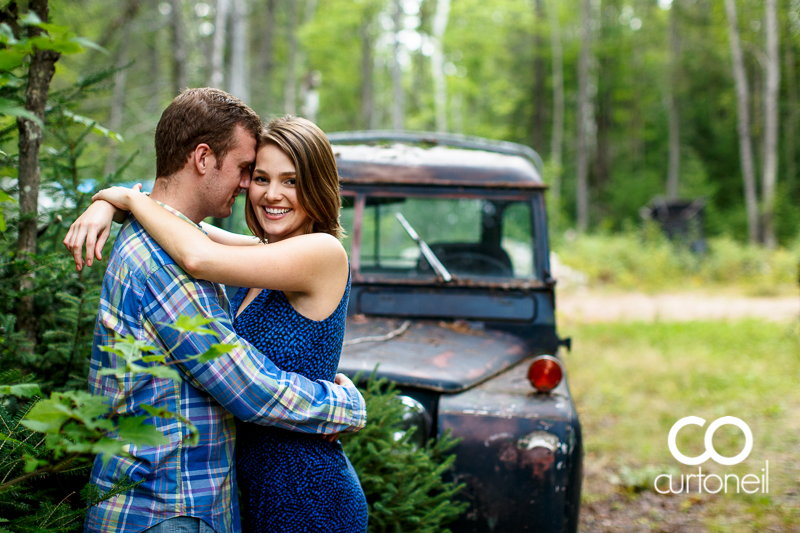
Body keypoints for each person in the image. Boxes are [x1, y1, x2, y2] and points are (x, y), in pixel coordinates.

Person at [63, 89, 366, 533]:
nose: (261, 191)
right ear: (203, 158)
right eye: (256, 174)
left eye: (291, 180)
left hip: (307, 494)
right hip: (226, 497)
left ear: (315, 185)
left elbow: (197, 251)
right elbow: (195, 239)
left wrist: (128, 200)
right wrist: (113, 199)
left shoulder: (319, 251)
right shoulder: (261, 256)